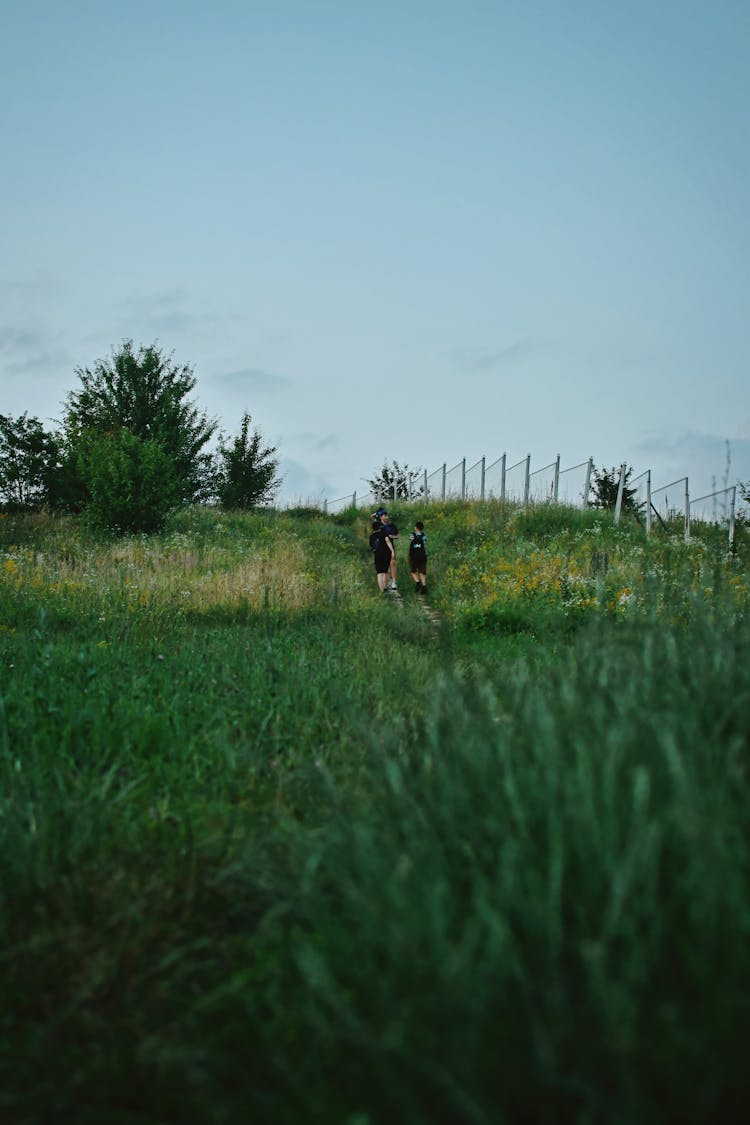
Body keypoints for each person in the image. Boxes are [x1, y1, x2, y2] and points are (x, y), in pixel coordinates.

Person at [369, 515, 394, 593]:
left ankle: (382, 591)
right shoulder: (383, 533)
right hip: (386, 553)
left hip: (378, 555)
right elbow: (388, 541)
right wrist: (392, 551)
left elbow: (371, 546)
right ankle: (385, 587)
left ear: (373, 528)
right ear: (379, 527)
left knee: (379, 573)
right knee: (385, 571)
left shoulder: (371, 536)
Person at [378, 509, 399, 590]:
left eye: (387, 515)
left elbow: (397, 535)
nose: (387, 517)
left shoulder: (391, 525)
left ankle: (394, 582)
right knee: (384, 567)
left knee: (392, 563)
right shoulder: (378, 525)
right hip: (381, 547)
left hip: (390, 547)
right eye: (385, 515)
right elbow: (371, 518)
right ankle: (384, 585)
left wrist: (392, 536)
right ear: (380, 517)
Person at [409, 520, 428, 593]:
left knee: (413, 571)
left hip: (414, 556)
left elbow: (410, 539)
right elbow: (425, 542)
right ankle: (424, 586)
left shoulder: (412, 534)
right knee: (422, 571)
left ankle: (417, 582)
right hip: (423, 556)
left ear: (416, 528)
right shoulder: (424, 535)